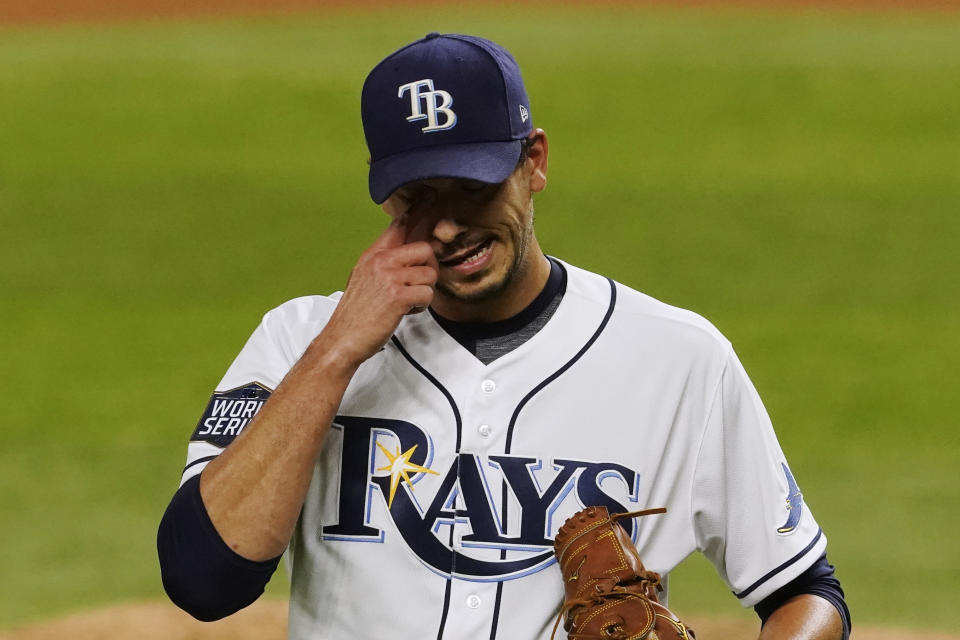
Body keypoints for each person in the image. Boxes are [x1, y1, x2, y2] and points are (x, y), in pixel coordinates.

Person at [158, 32, 851, 640]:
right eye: (417, 196)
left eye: (471, 186)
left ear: (534, 162)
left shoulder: (679, 359)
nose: (449, 225)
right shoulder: (300, 339)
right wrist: (338, 352)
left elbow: (805, 592)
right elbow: (203, 582)